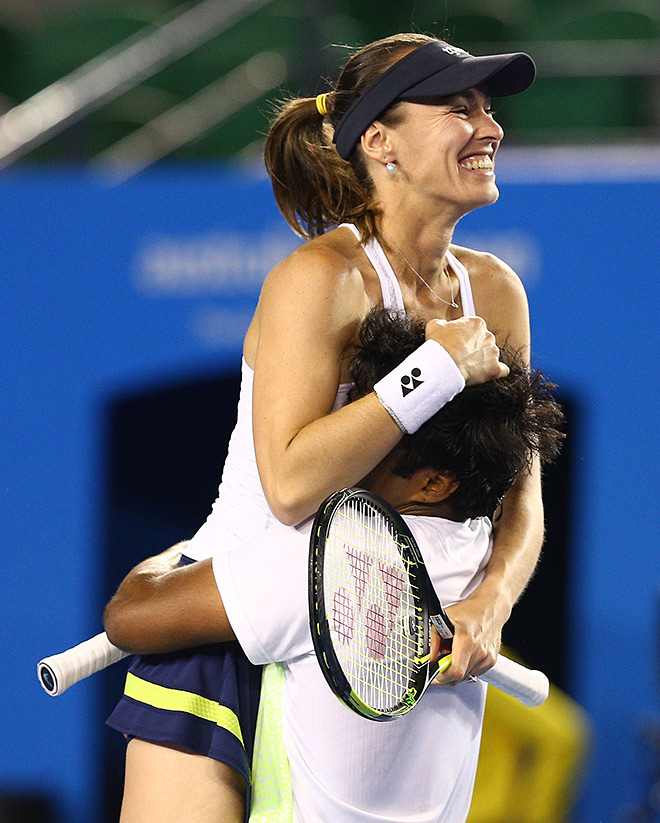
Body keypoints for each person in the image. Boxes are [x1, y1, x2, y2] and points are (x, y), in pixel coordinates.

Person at [107, 32, 541, 823]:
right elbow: (291, 486)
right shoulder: (320, 277)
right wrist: (435, 369)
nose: (490, 127)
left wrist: (493, 603)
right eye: (458, 108)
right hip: (223, 624)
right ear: (380, 141)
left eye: (487, 106)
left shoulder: (495, 291)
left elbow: (519, 493)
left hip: (365, 617)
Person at [105, 309, 564, 823]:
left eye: (386, 430)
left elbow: (130, 615)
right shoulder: (480, 545)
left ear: (433, 484)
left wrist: (192, 548)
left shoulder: (333, 557)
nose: (349, 440)